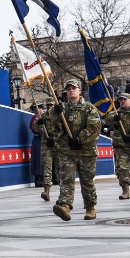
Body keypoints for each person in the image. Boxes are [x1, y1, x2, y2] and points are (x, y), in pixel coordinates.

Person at [50, 79, 101, 221]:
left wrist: (79, 139)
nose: (71, 90)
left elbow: (94, 127)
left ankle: (90, 207)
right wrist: (55, 112)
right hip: (67, 151)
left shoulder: (89, 108)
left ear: (79, 90)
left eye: (74, 88)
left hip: (86, 151)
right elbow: (52, 124)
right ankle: (65, 205)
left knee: (87, 180)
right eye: (68, 89)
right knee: (66, 179)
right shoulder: (62, 109)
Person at [31, 98, 59, 202]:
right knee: (47, 168)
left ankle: (64, 193)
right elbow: (34, 128)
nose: (49, 107)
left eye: (51, 105)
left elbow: (63, 128)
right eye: (47, 106)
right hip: (47, 144)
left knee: (61, 169)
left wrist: (55, 139)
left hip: (58, 144)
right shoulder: (43, 116)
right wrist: (39, 123)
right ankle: (46, 191)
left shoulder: (59, 115)